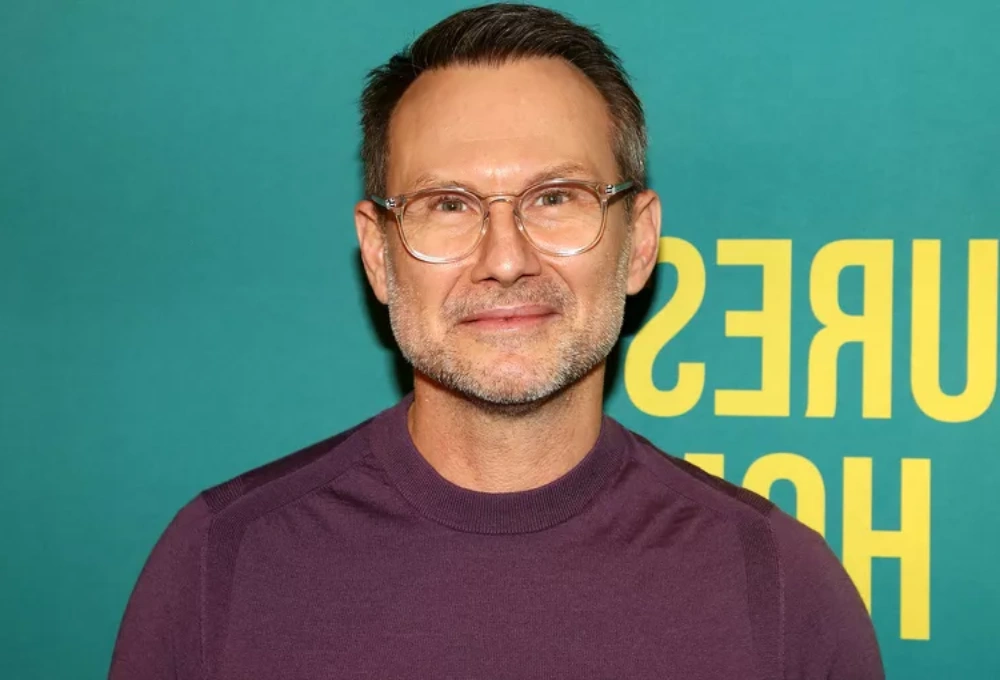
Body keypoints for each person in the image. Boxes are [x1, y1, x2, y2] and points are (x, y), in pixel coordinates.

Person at [109, 4, 884, 678]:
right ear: (379, 255)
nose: (506, 258)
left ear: (640, 241)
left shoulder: (778, 584)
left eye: (556, 197)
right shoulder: (223, 562)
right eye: (449, 204)